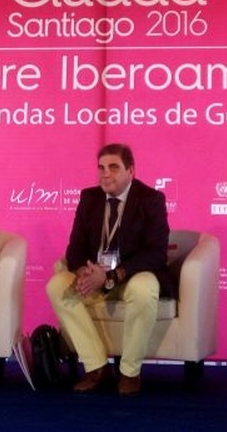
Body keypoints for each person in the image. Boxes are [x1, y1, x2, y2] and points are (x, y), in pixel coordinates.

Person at [46, 143, 171, 396]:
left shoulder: (151, 199)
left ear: (130, 171)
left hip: (130, 276)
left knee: (145, 288)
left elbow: (156, 252)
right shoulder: (89, 198)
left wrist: (113, 275)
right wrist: (83, 272)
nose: (105, 174)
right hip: (95, 278)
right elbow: (75, 247)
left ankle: (129, 372)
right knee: (57, 286)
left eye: (113, 167)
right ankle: (96, 367)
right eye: (101, 168)